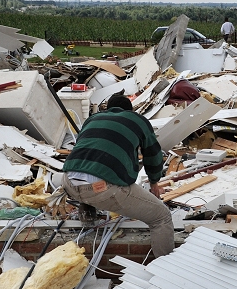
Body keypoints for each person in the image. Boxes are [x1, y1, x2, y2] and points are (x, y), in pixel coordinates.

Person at [62, 93, 174, 258]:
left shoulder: (93, 119)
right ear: (130, 110)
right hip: (103, 189)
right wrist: (154, 183)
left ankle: (87, 211)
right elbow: (153, 155)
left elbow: (86, 149)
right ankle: (167, 272)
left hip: (68, 182)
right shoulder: (137, 120)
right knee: (161, 217)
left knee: (93, 169)